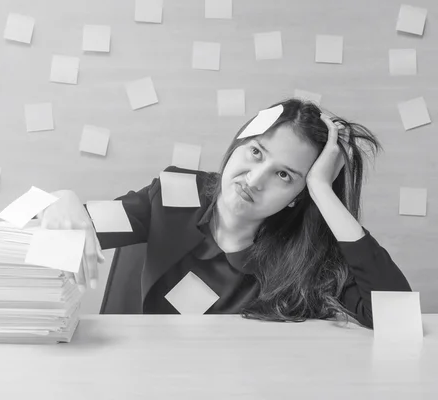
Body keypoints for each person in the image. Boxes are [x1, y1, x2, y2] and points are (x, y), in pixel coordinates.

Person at [36, 98, 412, 329]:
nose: (256, 178)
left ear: (299, 195)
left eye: (284, 175)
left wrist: (324, 193)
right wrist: (61, 199)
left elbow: (397, 317)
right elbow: (48, 233)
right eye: (256, 152)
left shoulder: (304, 259)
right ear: (239, 144)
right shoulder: (174, 196)